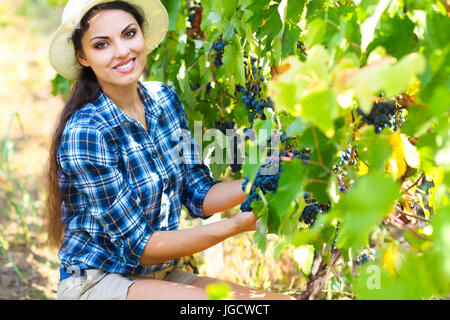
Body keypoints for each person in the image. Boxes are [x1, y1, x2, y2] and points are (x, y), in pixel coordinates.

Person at [45, 0, 294, 300]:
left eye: (129, 34)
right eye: (102, 45)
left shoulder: (164, 99)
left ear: (142, 35)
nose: (123, 51)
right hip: (98, 282)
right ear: (82, 56)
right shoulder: (87, 133)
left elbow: (198, 191)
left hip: (158, 274)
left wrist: (268, 176)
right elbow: (140, 246)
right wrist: (235, 225)